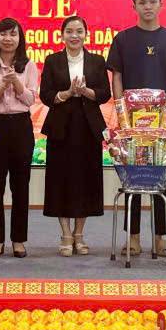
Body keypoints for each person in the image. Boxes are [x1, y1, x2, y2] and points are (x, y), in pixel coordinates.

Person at [105, 0, 166, 257]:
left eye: (152, 1)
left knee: (161, 179)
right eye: (142, 2)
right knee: (132, 179)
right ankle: (133, 238)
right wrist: (121, 114)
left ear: (161, 4)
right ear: (134, 6)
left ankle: (161, 238)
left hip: (162, 124)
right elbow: (117, 77)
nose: (148, 6)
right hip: (132, 122)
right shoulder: (123, 39)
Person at [40, 15, 110, 256]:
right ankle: (65, 234)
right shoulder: (52, 60)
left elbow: (104, 93)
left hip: (88, 126)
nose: (74, 35)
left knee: (86, 180)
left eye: (79, 31)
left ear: (86, 35)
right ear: (62, 35)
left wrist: (86, 91)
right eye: (69, 31)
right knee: (60, 179)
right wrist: (68, 93)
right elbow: (45, 94)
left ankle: (79, 234)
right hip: (61, 126)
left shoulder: (97, 61)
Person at [0, 18, 38, 258]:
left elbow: (31, 100)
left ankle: (18, 240)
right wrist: (1, 89)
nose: (8, 39)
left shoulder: (28, 65)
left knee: (21, 185)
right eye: (3, 34)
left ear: (20, 38)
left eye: (13, 34)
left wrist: (17, 84)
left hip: (21, 126)